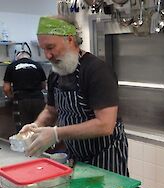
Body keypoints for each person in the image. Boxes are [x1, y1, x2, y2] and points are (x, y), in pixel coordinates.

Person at [21, 15, 129, 177]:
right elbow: (51, 111)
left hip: (106, 155)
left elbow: (105, 124)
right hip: (76, 157)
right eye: (43, 49)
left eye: (50, 47)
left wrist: (56, 134)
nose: (47, 55)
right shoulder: (55, 73)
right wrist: (36, 126)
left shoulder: (96, 71)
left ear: (70, 40)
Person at [3, 50, 47, 132]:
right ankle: (41, 144)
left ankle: (26, 145)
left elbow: (6, 88)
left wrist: (11, 98)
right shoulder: (38, 65)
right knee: (39, 127)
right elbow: (44, 85)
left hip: (21, 100)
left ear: (17, 58)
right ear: (29, 57)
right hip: (38, 99)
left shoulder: (12, 66)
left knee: (23, 129)